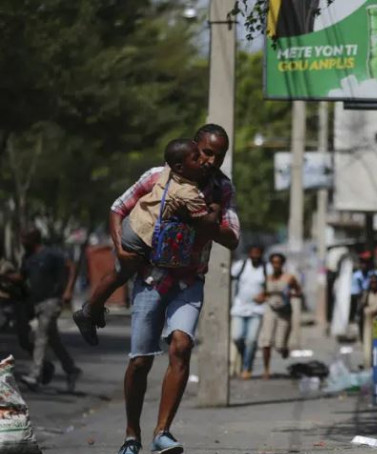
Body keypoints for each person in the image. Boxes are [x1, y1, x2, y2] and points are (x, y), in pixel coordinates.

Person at [108, 124, 239, 454]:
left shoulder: (221, 189)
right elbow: (117, 208)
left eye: (218, 156)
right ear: (193, 149)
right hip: (152, 278)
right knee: (140, 361)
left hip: (189, 279)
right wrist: (121, 249)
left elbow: (232, 236)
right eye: (206, 153)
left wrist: (202, 221)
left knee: (181, 346)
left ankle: (162, 433)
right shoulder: (157, 176)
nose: (211, 160)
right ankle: (131, 435)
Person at [72, 139, 222, 345]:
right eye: (199, 157)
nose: (205, 162)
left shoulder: (167, 174)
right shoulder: (188, 192)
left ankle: (92, 310)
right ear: (180, 166)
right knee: (123, 271)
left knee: (119, 274)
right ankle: (89, 312)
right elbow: (208, 222)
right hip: (140, 238)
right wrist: (216, 205)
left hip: (133, 225)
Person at [14, 229, 82, 392]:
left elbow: (71, 267)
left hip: (52, 301)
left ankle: (34, 375)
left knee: (41, 335)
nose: (22, 242)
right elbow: (21, 278)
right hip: (36, 302)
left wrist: (68, 290)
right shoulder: (28, 257)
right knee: (53, 340)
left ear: (34, 239)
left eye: (24, 239)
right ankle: (71, 369)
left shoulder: (51, 254)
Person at [256, 253, 301, 379]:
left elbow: (298, 291)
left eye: (278, 263)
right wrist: (260, 298)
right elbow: (264, 293)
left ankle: (284, 348)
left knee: (279, 345)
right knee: (266, 340)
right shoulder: (268, 278)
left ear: (282, 264)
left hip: (284, 312)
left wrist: (294, 294)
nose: (276, 265)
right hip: (270, 309)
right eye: (273, 263)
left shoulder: (289, 278)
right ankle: (266, 369)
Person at [230, 244, 267, 379]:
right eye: (253, 253)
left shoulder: (265, 268)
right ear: (250, 253)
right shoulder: (241, 265)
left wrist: (265, 295)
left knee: (251, 340)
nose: (256, 256)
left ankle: (247, 367)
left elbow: (272, 285)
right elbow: (229, 278)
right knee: (237, 337)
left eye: (258, 253)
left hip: (256, 310)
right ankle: (245, 354)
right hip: (239, 308)